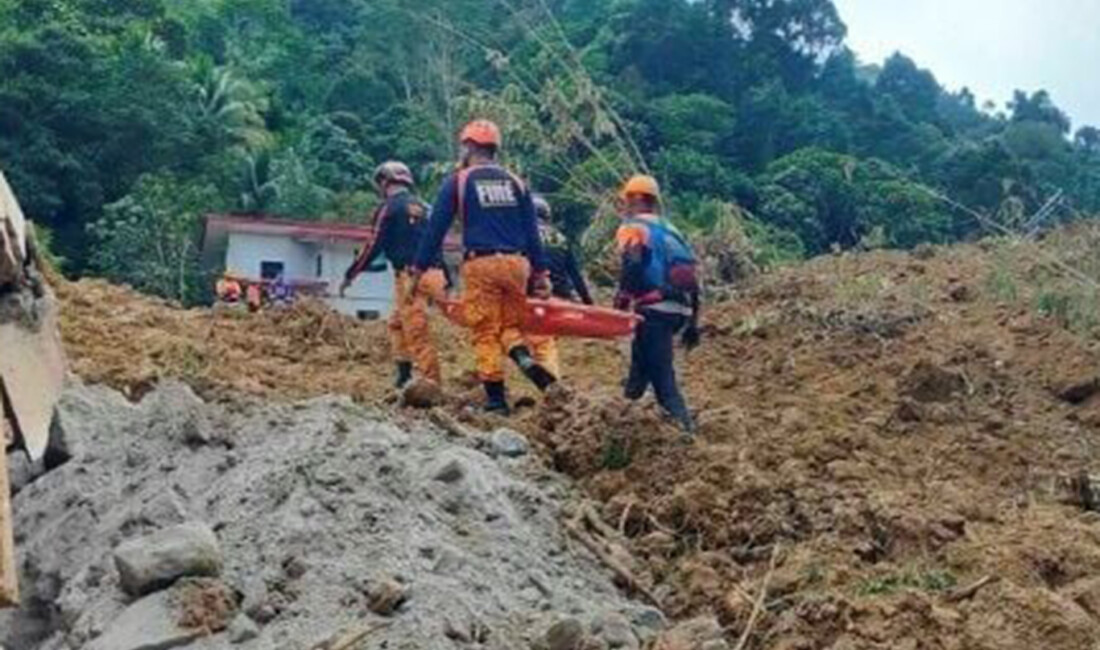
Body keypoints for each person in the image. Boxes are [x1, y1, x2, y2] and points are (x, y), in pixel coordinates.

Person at [411, 119, 554, 414]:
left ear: (469, 146)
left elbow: (435, 229)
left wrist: (419, 268)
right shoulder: (516, 182)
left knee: (484, 329)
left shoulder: (459, 181)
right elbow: (532, 231)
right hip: (518, 264)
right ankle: (525, 360)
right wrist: (541, 274)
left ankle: (496, 401)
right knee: (510, 324)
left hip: (482, 264)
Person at [342, 161, 447, 388]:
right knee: (397, 323)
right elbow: (437, 242)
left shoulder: (389, 208)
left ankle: (431, 384)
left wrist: (351, 274)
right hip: (435, 273)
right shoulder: (426, 208)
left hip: (411, 276)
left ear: (384, 182)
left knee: (416, 330)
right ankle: (403, 375)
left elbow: (373, 245)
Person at [613, 174, 701, 436]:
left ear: (638, 199)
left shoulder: (633, 227)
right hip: (680, 308)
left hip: (654, 308)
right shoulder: (672, 229)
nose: (624, 205)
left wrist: (622, 299)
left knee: (663, 379)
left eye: (627, 199)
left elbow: (633, 265)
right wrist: (694, 321)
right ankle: (622, 423)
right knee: (639, 370)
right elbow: (693, 275)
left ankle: (686, 432)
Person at [525, 194, 594, 379]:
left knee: (534, 341)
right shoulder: (561, 238)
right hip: (561, 299)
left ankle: (548, 379)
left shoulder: (522, 235)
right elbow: (575, 274)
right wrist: (588, 304)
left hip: (534, 298)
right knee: (546, 339)